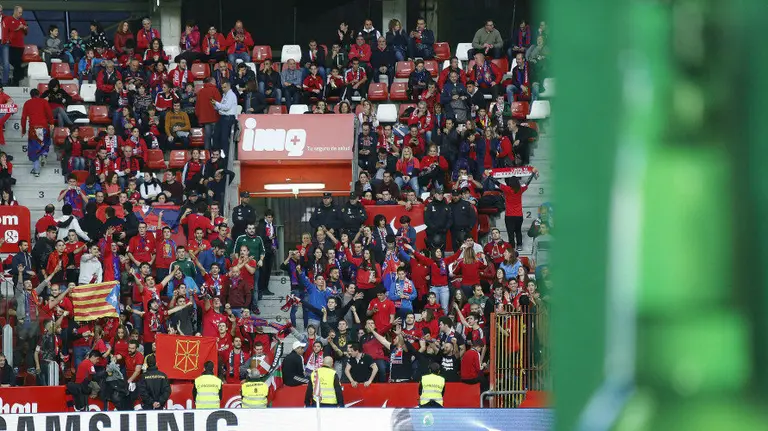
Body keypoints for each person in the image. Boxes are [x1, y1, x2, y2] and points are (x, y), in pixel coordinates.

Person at [20, 89, 54, 177]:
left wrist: (23, 129)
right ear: (39, 94)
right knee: (45, 143)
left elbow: (23, 118)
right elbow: (49, 114)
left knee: (34, 150)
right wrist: (52, 123)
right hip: (44, 128)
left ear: (31, 95)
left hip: (33, 130)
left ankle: (36, 170)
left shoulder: (27, 103)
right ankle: (44, 154)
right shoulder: (44, 102)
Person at [212, 81, 237, 158]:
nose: (223, 89)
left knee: (224, 139)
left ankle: (226, 158)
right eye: (222, 87)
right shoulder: (225, 95)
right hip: (223, 118)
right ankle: (217, 155)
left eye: (225, 87)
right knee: (215, 136)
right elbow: (221, 107)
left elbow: (226, 107)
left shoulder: (231, 95)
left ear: (229, 86)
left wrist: (216, 103)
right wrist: (215, 105)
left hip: (228, 118)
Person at [195, 77, 221, 151]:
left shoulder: (200, 91)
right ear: (211, 82)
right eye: (215, 81)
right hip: (215, 117)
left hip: (205, 119)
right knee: (216, 136)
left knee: (207, 137)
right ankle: (216, 153)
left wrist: (198, 115)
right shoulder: (215, 90)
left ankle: (207, 154)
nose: (216, 83)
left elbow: (197, 105)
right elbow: (219, 103)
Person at [5, 6, 27, 86]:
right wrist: (18, 28)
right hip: (11, 45)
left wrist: (24, 28)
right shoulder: (9, 19)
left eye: (21, 13)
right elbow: (8, 30)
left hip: (20, 46)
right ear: (15, 11)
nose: (20, 14)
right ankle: (19, 74)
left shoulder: (22, 20)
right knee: (12, 61)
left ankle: (16, 80)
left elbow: (26, 32)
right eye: (19, 12)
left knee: (17, 63)